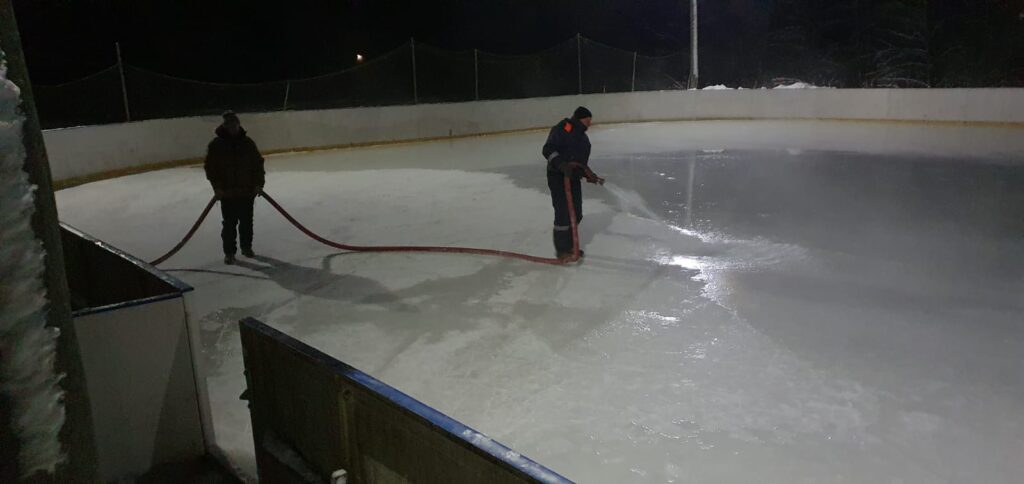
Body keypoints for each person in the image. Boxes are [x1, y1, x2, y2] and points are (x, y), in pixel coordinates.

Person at [542, 106, 605, 261]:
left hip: (573, 179)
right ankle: (562, 250)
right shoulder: (563, 128)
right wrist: (561, 164)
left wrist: (591, 176)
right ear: (579, 118)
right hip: (557, 177)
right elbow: (548, 149)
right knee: (563, 212)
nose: (589, 124)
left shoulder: (584, 141)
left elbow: (581, 164)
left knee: (576, 213)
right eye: (587, 120)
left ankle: (570, 246)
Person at [204, 111, 265, 264]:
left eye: (234, 124)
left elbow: (258, 164)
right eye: (229, 124)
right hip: (227, 194)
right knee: (229, 224)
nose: (232, 127)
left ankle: (246, 247)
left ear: (238, 124)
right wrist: (217, 187)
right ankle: (230, 252)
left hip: (246, 192)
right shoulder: (216, 145)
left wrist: (259, 183)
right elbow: (211, 169)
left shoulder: (248, 143)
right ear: (224, 126)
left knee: (246, 222)